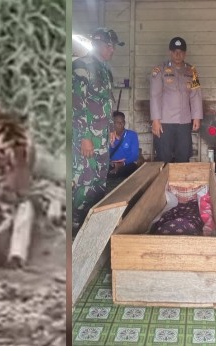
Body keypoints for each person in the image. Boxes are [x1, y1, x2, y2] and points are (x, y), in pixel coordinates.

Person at [72, 27, 124, 236]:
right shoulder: (80, 66)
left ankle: (90, 223)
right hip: (86, 136)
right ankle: (74, 224)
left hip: (101, 136)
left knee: (100, 179)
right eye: (110, 46)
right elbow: (76, 105)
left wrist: (111, 128)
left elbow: (106, 104)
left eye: (113, 46)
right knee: (84, 179)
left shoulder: (105, 69)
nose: (112, 50)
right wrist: (85, 137)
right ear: (99, 44)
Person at [150, 36, 202, 163]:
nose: (177, 55)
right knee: (163, 156)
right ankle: (163, 182)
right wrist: (155, 120)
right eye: (175, 52)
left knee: (184, 155)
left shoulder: (192, 71)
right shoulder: (160, 70)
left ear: (185, 53)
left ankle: (180, 183)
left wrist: (196, 117)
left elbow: (196, 94)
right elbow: (154, 95)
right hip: (164, 121)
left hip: (184, 121)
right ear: (170, 52)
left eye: (181, 52)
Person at [108, 111, 140, 179]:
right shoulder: (108, 136)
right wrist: (111, 145)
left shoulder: (132, 135)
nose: (120, 124)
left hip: (126, 164)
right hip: (112, 164)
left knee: (131, 168)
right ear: (112, 124)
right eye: (117, 122)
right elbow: (105, 154)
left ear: (124, 123)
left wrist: (122, 164)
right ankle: (114, 174)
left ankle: (115, 174)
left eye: (122, 121)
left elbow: (135, 155)